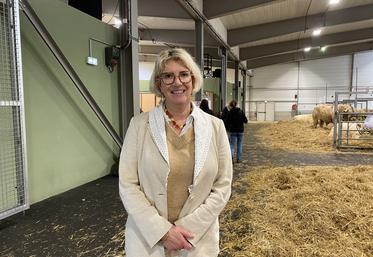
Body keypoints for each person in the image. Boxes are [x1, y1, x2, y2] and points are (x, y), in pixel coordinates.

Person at [118, 48, 232, 257]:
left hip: (196, 239)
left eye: (184, 74)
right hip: (149, 240)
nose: (177, 82)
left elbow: (222, 186)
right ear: (159, 84)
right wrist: (162, 232)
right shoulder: (139, 126)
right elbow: (128, 185)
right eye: (168, 76)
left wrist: (187, 229)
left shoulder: (215, 127)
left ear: (193, 79)